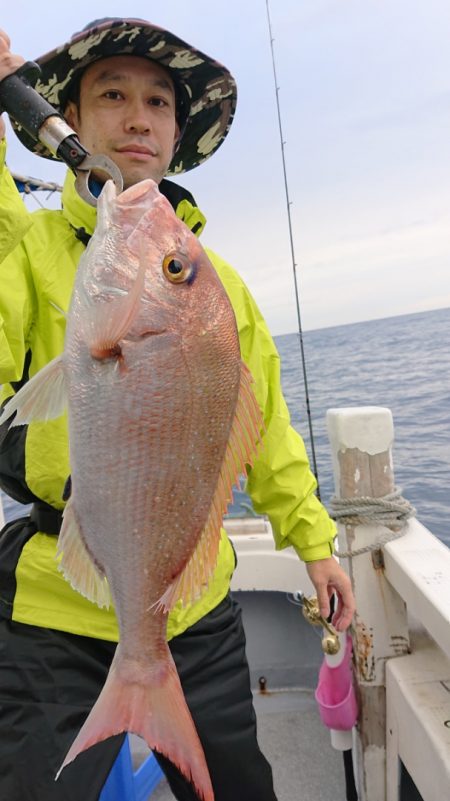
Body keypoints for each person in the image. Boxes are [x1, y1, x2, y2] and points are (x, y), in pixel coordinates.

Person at [0, 17, 355, 801]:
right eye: (113, 96)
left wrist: (315, 542)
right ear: (71, 117)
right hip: (51, 608)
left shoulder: (214, 285)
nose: (138, 118)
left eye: (159, 102)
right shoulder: (23, 250)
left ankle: (149, 662)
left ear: (175, 134)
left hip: (192, 606)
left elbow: (267, 429)